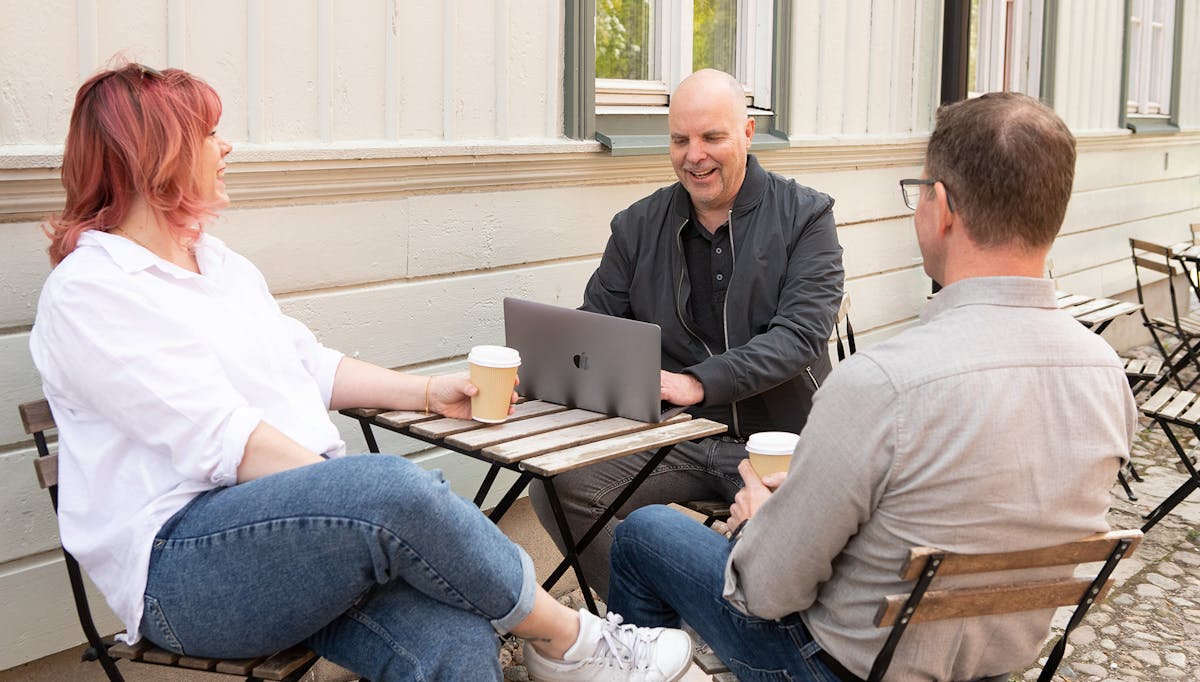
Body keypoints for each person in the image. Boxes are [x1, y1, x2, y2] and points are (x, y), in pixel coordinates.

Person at [29, 63, 694, 682]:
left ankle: (561, 645)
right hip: (183, 570)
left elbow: (306, 365)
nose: (225, 146)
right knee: (388, 490)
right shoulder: (93, 291)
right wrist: (357, 505)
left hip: (304, 536)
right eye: (207, 134)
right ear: (158, 158)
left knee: (456, 641)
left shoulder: (218, 264)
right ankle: (574, 641)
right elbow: (224, 440)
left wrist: (430, 393)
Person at [605, 92, 1138, 680]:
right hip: (993, 666)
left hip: (837, 666)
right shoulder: (1106, 374)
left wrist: (762, 520)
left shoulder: (883, 384)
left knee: (646, 535)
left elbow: (764, 590)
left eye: (919, 192)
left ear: (942, 210)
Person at [530, 69, 845, 599]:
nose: (693, 155)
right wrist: (550, 368)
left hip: (782, 445)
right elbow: (594, 330)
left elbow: (800, 336)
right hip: (672, 438)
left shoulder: (806, 217)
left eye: (712, 137)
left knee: (778, 561)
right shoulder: (636, 226)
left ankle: (724, 621)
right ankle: (649, 631)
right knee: (559, 487)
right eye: (680, 139)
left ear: (747, 132)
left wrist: (696, 382)